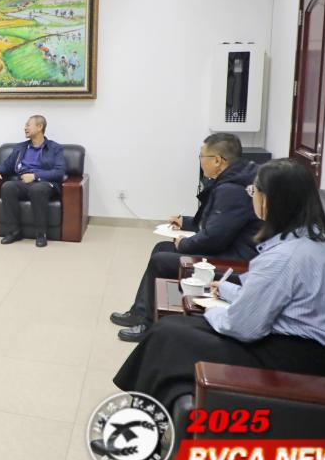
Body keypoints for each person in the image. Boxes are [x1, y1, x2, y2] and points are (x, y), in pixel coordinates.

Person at [113, 158, 325, 413]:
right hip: (298, 345)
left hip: (292, 358)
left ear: (269, 200)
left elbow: (241, 327)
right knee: (170, 331)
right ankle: (148, 415)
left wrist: (210, 310)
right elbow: (272, 298)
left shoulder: (284, 258)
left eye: (253, 191)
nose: (251, 197)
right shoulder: (310, 238)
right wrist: (225, 289)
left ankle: (140, 419)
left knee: (169, 335)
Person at [110, 133, 261, 342]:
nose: (200, 161)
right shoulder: (237, 179)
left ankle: (148, 324)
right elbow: (219, 223)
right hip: (229, 248)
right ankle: (140, 311)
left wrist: (184, 243)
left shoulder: (232, 190)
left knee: (161, 259)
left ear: (217, 161)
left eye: (202, 156)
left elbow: (214, 239)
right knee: (162, 247)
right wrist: (186, 222)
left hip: (234, 260)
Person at [0, 115, 65, 248]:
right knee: (7, 186)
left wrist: (35, 176)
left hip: (45, 183)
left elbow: (60, 172)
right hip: (23, 183)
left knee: (37, 189)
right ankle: (14, 232)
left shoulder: (55, 148)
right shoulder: (21, 147)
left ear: (39, 127)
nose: (25, 128)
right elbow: (7, 164)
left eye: (28, 125)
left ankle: (41, 234)